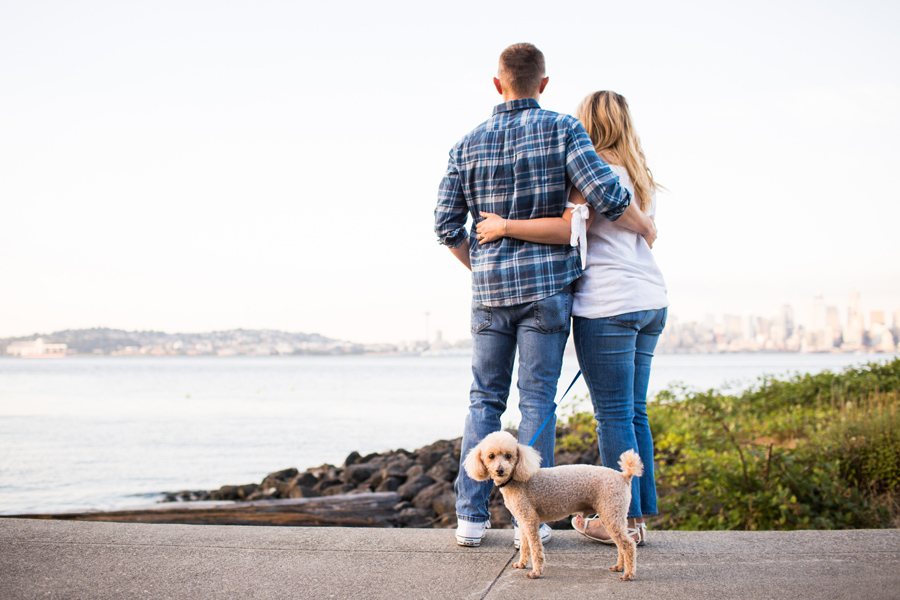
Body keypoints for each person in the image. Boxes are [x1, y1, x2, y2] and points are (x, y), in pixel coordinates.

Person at [434, 45, 656, 548]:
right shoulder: (563, 129)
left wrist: (483, 266)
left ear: (497, 84)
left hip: (490, 293)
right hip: (547, 292)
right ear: (544, 84)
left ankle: (470, 520)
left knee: (483, 400)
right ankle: (528, 526)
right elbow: (610, 196)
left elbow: (445, 226)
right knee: (538, 401)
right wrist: (640, 220)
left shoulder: (465, 144)